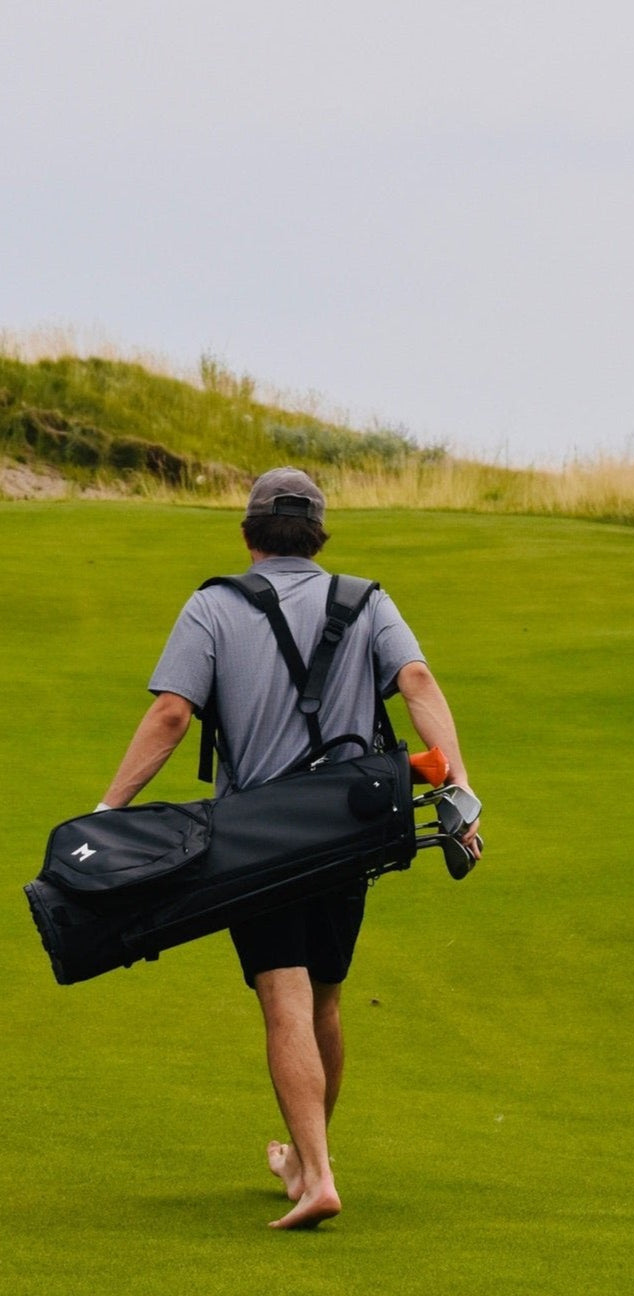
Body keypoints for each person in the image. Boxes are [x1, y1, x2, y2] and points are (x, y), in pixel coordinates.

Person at [97, 467, 480, 1230]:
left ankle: (318, 1178)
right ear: (320, 536)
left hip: (256, 838)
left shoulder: (213, 605)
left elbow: (173, 715)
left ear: (248, 535)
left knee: (285, 994)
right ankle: (307, 1159)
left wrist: (109, 810)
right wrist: (458, 788)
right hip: (349, 830)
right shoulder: (367, 600)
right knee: (327, 996)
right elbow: (418, 680)